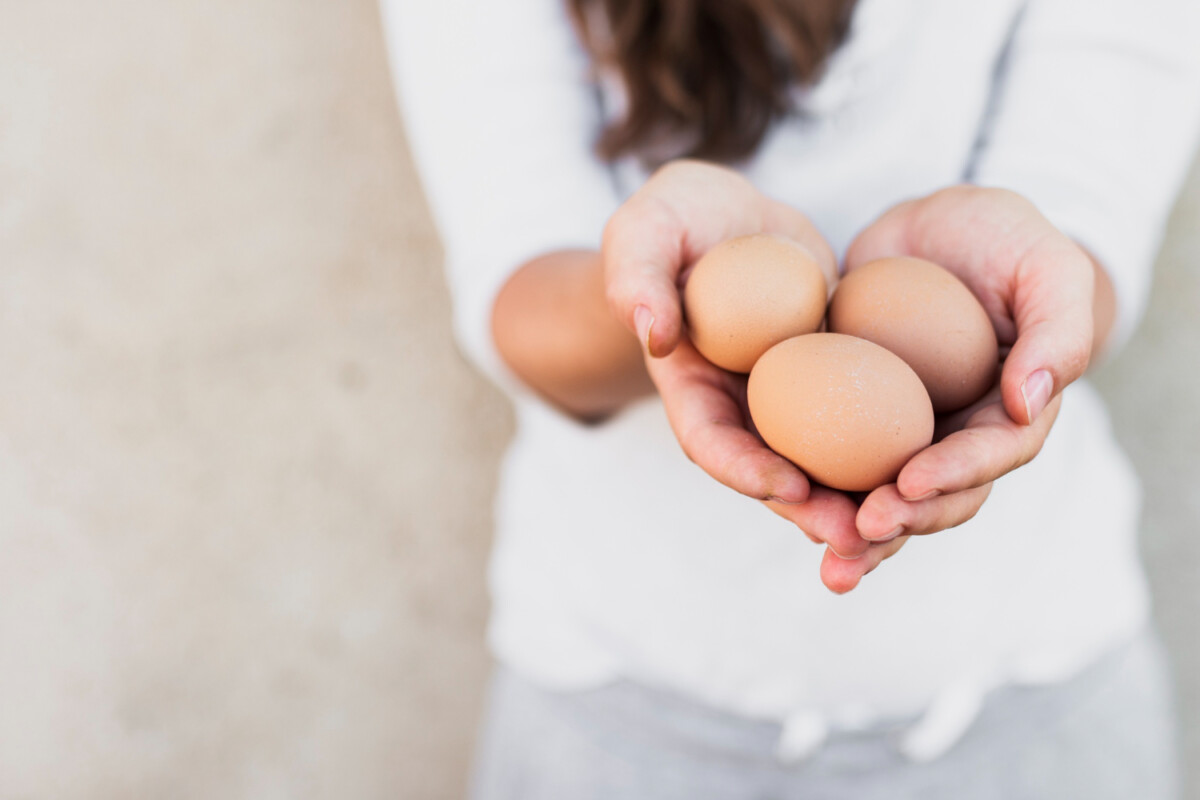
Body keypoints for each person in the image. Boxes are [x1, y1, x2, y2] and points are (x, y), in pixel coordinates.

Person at [382, 0, 1200, 796]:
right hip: (627, 702)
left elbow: (1086, 226)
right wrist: (672, 295)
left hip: (1028, 697)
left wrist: (1028, 301)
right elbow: (517, 287)